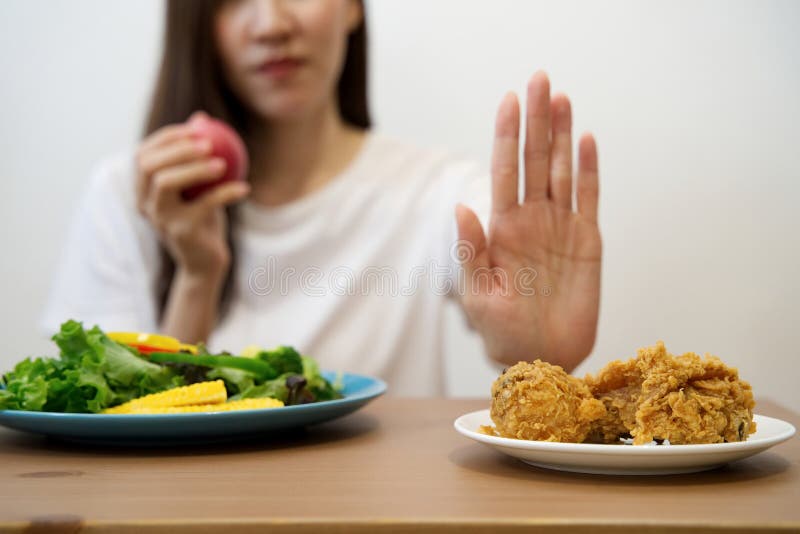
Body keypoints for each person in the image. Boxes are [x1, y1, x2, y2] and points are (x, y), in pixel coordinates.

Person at [43, 0, 601, 396]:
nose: (271, 23)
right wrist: (198, 273)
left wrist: (542, 353)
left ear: (354, 6)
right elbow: (116, 422)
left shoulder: (437, 191)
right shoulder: (129, 193)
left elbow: (521, 310)